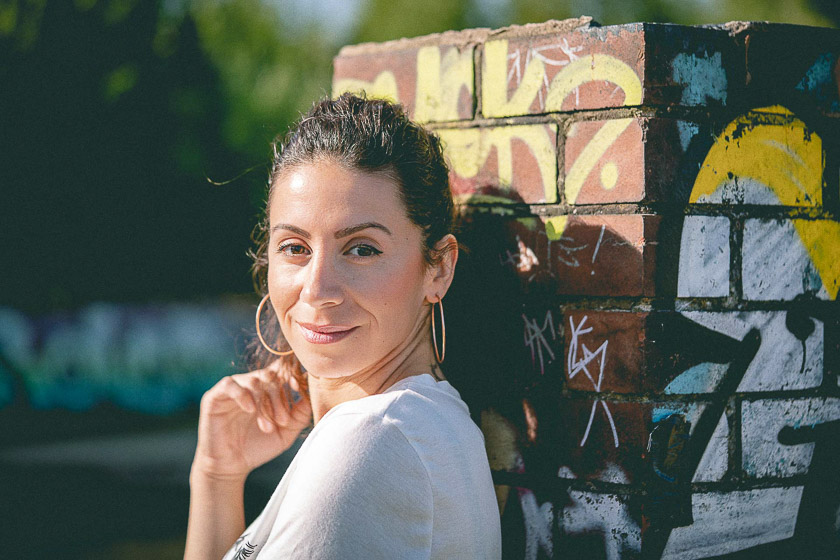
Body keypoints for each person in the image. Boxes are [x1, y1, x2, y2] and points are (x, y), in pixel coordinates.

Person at [183, 93, 502, 559]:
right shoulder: (421, 425)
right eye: (294, 247)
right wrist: (217, 476)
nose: (317, 289)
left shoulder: (374, 439)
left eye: (361, 249)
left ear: (438, 268)